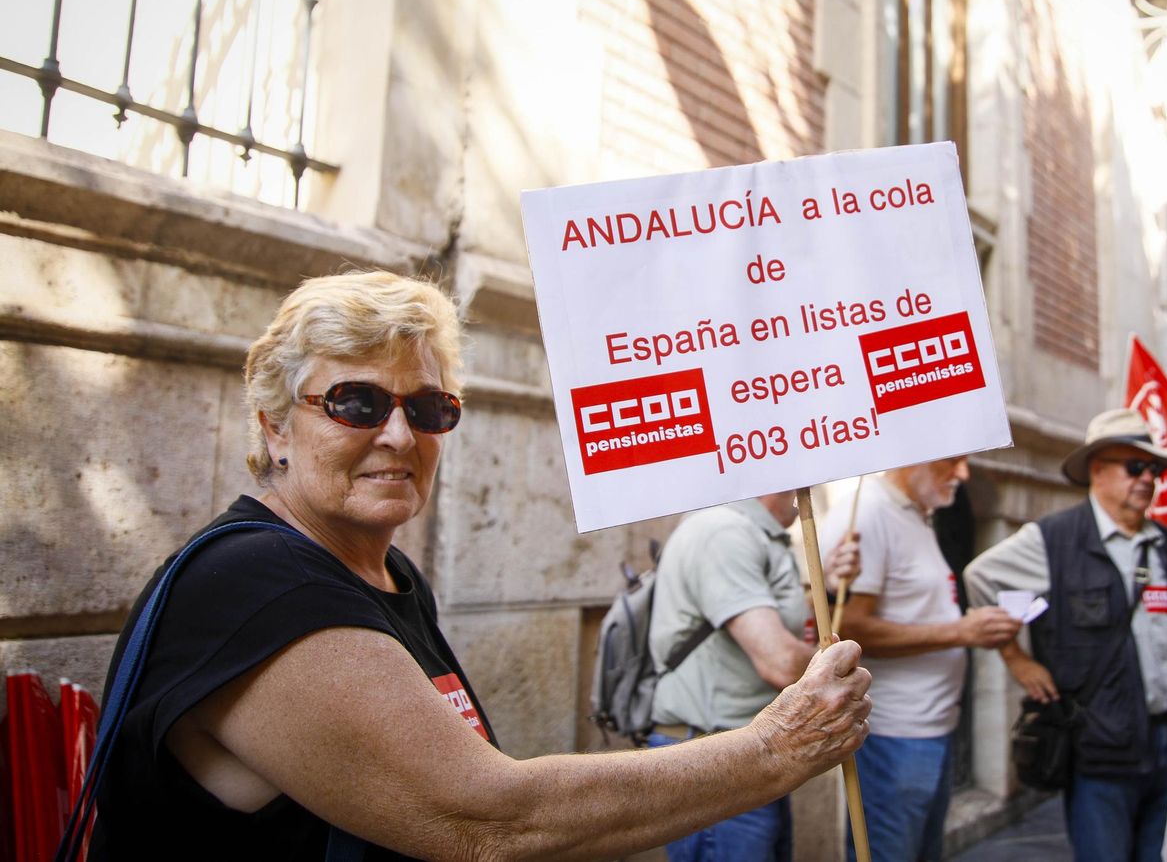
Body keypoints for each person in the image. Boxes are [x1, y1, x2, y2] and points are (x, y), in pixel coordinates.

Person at [88, 270, 871, 861]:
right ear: (275, 427)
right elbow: (484, 817)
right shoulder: (257, 585)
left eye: (429, 409)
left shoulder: (385, 575)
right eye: (357, 403)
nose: (399, 436)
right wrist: (774, 749)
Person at [963, 408, 1167, 862]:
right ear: (1097, 470)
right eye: (1135, 467)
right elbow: (980, 579)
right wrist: (1016, 658)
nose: (1147, 478)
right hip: (1099, 748)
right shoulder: (1052, 540)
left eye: (1153, 469)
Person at [820, 457, 1021, 862]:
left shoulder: (917, 515)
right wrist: (959, 632)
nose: (963, 474)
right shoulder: (871, 510)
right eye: (953, 461)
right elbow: (851, 630)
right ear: (911, 458)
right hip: (895, 736)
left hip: (932, 729)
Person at [647, 490, 861, 861]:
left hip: (749, 751)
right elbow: (777, 660)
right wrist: (844, 674)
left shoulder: (757, 533)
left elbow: (773, 621)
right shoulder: (724, 532)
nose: (813, 484)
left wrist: (827, 589)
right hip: (713, 762)